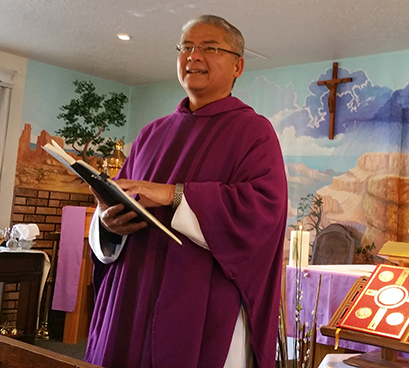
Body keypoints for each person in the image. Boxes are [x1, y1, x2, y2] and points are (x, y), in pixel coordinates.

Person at [84, 14, 288, 368]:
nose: (193, 56)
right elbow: (121, 196)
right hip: (131, 289)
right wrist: (107, 224)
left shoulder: (254, 132)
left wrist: (175, 195)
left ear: (238, 65)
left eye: (209, 48)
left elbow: (262, 211)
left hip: (201, 298)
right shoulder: (151, 133)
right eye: (187, 47)